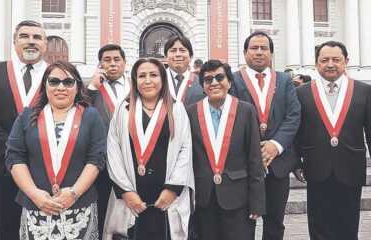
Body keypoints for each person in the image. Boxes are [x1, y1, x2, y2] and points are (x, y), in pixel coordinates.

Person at [5, 60, 106, 239]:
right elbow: (14, 157)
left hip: (79, 207)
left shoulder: (91, 116)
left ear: (77, 87)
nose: (61, 87)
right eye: (54, 81)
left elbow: (96, 158)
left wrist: (74, 193)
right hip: (37, 207)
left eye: (68, 82)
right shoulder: (26, 116)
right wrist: (34, 194)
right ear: (45, 86)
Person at [103, 58, 194, 240]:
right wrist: (126, 191)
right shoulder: (124, 108)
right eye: (141, 76)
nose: (147, 80)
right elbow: (113, 150)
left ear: (163, 79)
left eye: (153, 75)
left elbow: (186, 149)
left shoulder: (176, 108)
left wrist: (173, 188)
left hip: (166, 197)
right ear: (134, 81)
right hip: (132, 197)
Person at [0, 20, 48, 240]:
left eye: (37, 37)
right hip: (3, 163)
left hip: (46, 165)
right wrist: (11, 144)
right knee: (7, 228)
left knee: (42, 227)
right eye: (25, 36)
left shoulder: (55, 74)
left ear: (45, 44)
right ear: (14, 41)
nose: (31, 41)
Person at [294, 41, 371, 240]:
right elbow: (297, 131)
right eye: (324, 60)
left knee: (348, 224)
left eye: (336, 59)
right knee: (319, 225)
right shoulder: (302, 92)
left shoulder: (363, 91)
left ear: (346, 62)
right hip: (316, 167)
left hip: (350, 167)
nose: (330, 64)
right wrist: (296, 162)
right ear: (316, 63)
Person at [231, 31, 301, 240]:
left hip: (278, 163)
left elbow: (293, 115)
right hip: (243, 166)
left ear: (271, 53)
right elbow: (231, 118)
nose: (259, 52)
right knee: (244, 224)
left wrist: (276, 144)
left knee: (275, 225)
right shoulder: (233, 80)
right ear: (245, 53)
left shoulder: (284, 80)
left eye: (264, 48)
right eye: (254, 48)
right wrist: (255, 150)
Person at [187, 59, 266, 240]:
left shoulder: (245, 110)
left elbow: (254, 158)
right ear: (203, 86)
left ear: (229, 82)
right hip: (204, 196)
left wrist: (257, 202)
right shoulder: (191, 112)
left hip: (238, 197)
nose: (214, 83)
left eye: (220, 77)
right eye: (208, 80)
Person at [87, 43, 130, 240]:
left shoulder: (135, 84)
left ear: (124, 62)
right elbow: (79, 111)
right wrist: (92, 87)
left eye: (116, 59)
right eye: (107, 60)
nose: (112, 64)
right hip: (103, 162)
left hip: (133, 159)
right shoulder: (93, 88)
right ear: (100, 64)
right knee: (104, 207)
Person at [164, 35, 205, 107]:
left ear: (191, 57)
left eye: (182, 50)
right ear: (165, 57)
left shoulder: (202, 83)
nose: (178, 54)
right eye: (173, 51)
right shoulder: (158, 80)